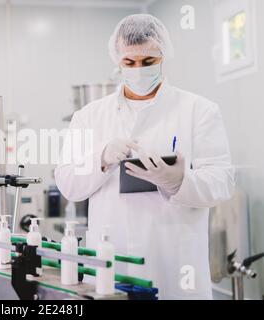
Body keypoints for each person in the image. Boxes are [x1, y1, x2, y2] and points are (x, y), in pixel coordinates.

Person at [54, 14, 235, 299]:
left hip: (176, 262)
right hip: (112, 263)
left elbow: (222, 181)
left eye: (148, 62)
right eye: (129, 63)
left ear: (163, 56)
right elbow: (67, 182)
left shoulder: (199, 110)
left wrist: (179, 181)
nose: (139, 69)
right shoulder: (88, 116)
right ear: (118, 62)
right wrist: (101, 158)